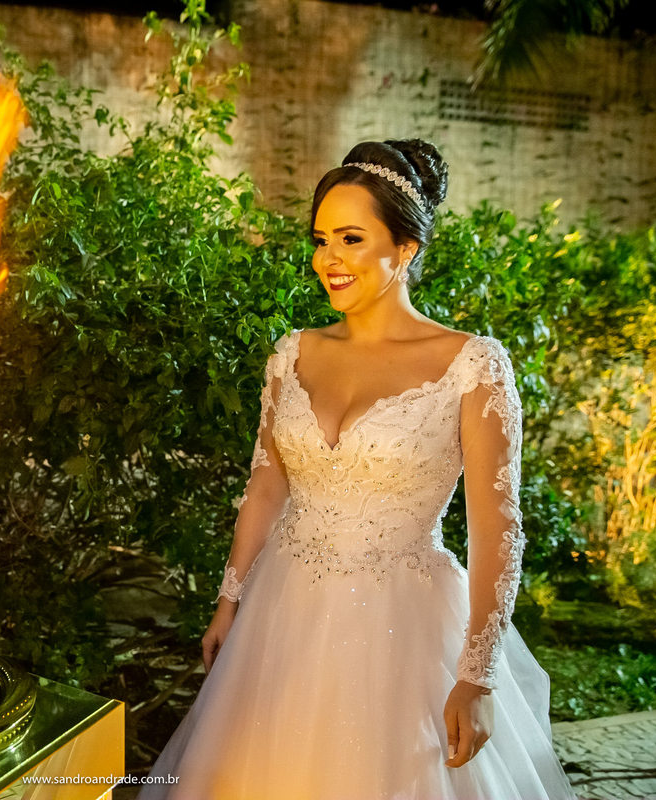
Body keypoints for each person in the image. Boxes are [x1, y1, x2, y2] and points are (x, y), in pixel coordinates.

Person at [141, 140, 576, 798]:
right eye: (321, 239)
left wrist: (477, 674)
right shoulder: (292, 354)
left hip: (402, 627)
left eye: (351, 237)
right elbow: (265, 487)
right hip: (281, 614)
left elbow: (498, 529)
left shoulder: (473, 365)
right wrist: (229, 601)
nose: (329, 259)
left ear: (404, 249)